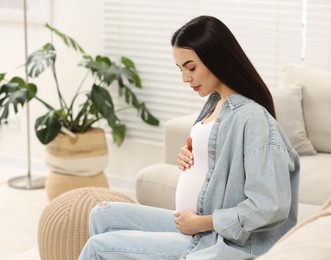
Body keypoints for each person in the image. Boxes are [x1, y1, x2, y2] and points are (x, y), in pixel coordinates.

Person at [78, 15, 300, 260]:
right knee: (102, 215)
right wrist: (193, 157)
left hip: (217, 239)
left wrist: (204, 223)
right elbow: (216, 161)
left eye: (191, 67)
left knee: (98, 248)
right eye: (180, 68)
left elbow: (271, 205)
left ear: (217, 58)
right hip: (194, 228)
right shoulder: (215, 103)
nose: (185, 78)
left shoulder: (253, 118)